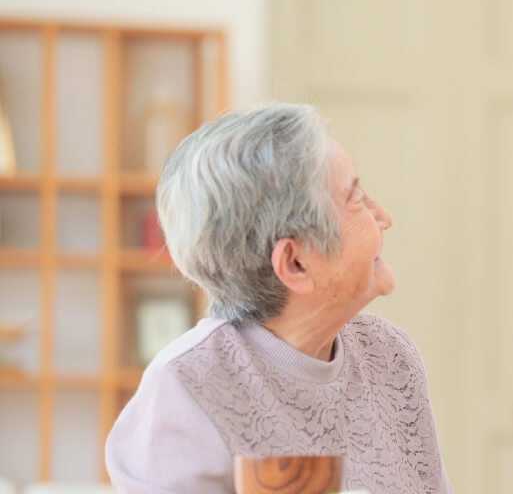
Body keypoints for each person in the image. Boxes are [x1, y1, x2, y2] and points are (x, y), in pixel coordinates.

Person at [105, 103, 452, 493]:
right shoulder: (186, 387)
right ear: (295, 263)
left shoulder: (390, 356)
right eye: (356, 201)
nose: (383, 216)